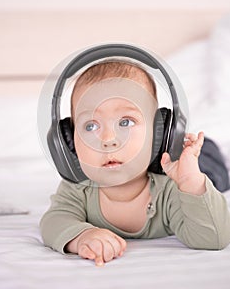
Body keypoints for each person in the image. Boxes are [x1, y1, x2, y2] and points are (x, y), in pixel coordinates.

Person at [40, 61, 230, 266]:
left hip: (193, 163)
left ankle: (205, 149)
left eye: (125, 122)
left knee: (214, 176)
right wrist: (83, 237)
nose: (108, 139)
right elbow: (54, 221)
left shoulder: (172, 188)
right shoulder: (78, 188)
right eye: (91, 125)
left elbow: (213, 238)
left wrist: (191, 181)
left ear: (159, 134)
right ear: (69, 142)